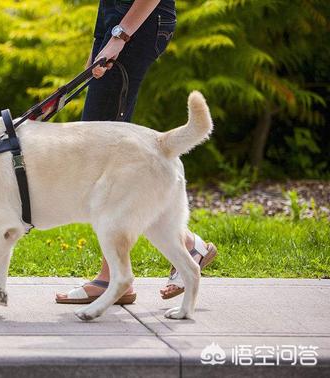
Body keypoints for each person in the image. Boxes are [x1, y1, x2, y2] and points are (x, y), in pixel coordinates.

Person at [55, 0, 217, 305]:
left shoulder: (125, 33)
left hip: (137, 22)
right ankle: (186, 245)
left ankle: (114, 278)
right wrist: (101, 39)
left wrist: (119, 37)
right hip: (121, 21)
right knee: (99, 150)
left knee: (105, 154)